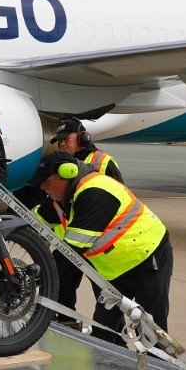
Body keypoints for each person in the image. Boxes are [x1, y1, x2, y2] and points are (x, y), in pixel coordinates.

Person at [30, 152, 172, 343]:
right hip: (113, 271)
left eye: (47, 180)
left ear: (67, 173)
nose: (42, 186)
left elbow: (71, 252)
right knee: (104, 329)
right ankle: (114, 367)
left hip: (146, 259)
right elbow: (31, 222)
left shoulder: (96, 192)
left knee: (151, 327)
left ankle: (159, 369)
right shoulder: (59, 200)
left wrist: (34, 276)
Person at [46, 119, 124, 327]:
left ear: (83, 137)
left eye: (66, 138)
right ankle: (66, 322)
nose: (62, 143)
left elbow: (118, 198)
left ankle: (114, 338)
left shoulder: (102, 161)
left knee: (105, 295)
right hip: (72, 241)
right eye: (59, 140)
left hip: (98, 244)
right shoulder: (61, 165)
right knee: (61, 285)